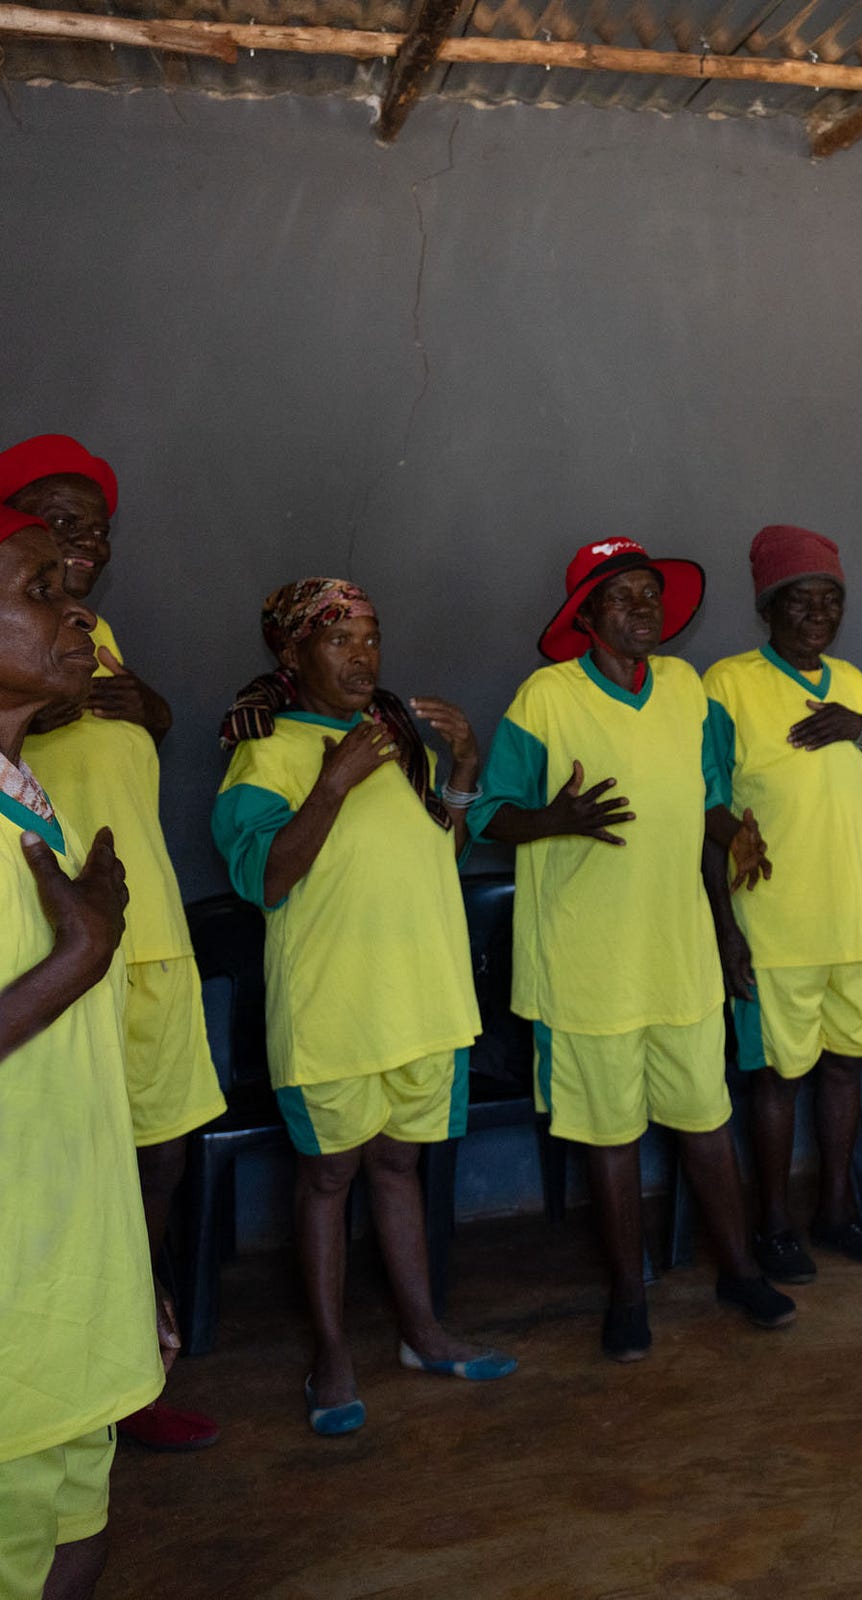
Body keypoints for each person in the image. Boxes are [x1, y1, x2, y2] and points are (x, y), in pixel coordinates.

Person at [472, 539, 793, 1360]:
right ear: (584, 615)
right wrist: (557, 820)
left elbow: (707, 808)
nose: (644, 608)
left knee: (706, 1123)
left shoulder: (687, 690)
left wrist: (735, 864)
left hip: (679, 952)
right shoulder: (544, 699)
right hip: (588, 966)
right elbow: (489, 813)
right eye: (623, 596)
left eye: (652, 594)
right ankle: (627, 1294)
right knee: (609, 1135)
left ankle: (740, 1270)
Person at [212, 579, 516, 1433]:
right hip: (334, 1009)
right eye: (341, 641)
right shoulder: (263, 753)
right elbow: (265, 878)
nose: (364, 658)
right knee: (328, 1175)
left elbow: (441, 854)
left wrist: (461, 771)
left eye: (372, 639)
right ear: (292, 653)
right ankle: (333, 1354)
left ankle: (421, 1332)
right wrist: (332, 784)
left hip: (422, 998)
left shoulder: (397, 741)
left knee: (397, 1167)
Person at [1, 436, 225, 1454]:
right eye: (53, 528)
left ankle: (134, 1355)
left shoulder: (96, 633)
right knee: (60, 1154)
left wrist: (153, 703)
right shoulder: (32, 640)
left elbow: (135, 731)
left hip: (147, 932)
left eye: (92, 529)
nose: (80, 548)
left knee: (157, 1151)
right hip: (50, 939)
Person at [0, 506, 163, 1600]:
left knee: (78, 1540)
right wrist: (82, 953)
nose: (77, 612)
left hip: (66, 1260)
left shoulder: (29, 796)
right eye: (37, 593)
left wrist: (123, 1264)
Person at [703, 526, 862, 1279]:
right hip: (774, 921)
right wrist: (728, 931)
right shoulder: (729, 684)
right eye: (800, 600)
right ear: (768, 609)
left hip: (852, 914)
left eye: (831, 600)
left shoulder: (856, 686)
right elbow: (706, 802)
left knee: (846, 1067)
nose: (818, 614)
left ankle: (836, 1213)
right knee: (777, 1077)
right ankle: (774, 1226)